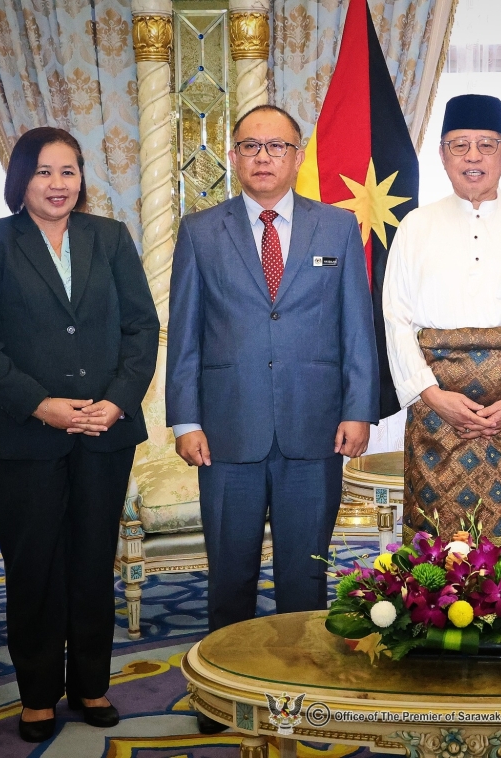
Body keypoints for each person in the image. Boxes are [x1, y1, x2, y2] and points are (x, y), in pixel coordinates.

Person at [165, 104, 379, 732]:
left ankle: (299, 693)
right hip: (225, 430)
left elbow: (356, 326)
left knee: (304, 576)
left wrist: (359, 409)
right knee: (229, 574)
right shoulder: (200, 231)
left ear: (297, 155)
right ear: (233, 155)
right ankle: (222, 694)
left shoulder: (337, 227)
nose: (263, 157)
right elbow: (185, 334)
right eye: (251, 145)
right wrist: (185, 420)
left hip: (315, 427)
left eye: (277, 146)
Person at [0, 127, 159, 743]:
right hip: (24, 437)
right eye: (44, 172)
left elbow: (141, 329)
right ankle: (38, 695)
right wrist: (41, 406)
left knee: (93, 562)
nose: (58, 184)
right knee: (34, 566)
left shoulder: (110, 238)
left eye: (68, 171)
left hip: (103, 432)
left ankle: (92, 685)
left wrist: (117, 402)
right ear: (22, 179)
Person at [383, 94, 501, 546]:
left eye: (486, 145)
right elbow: (396, 319)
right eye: (459, 145)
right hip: (438, 414)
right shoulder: (415, 227)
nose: (473, 156)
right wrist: (432, 395)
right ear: (442, 155)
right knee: (439, 547)